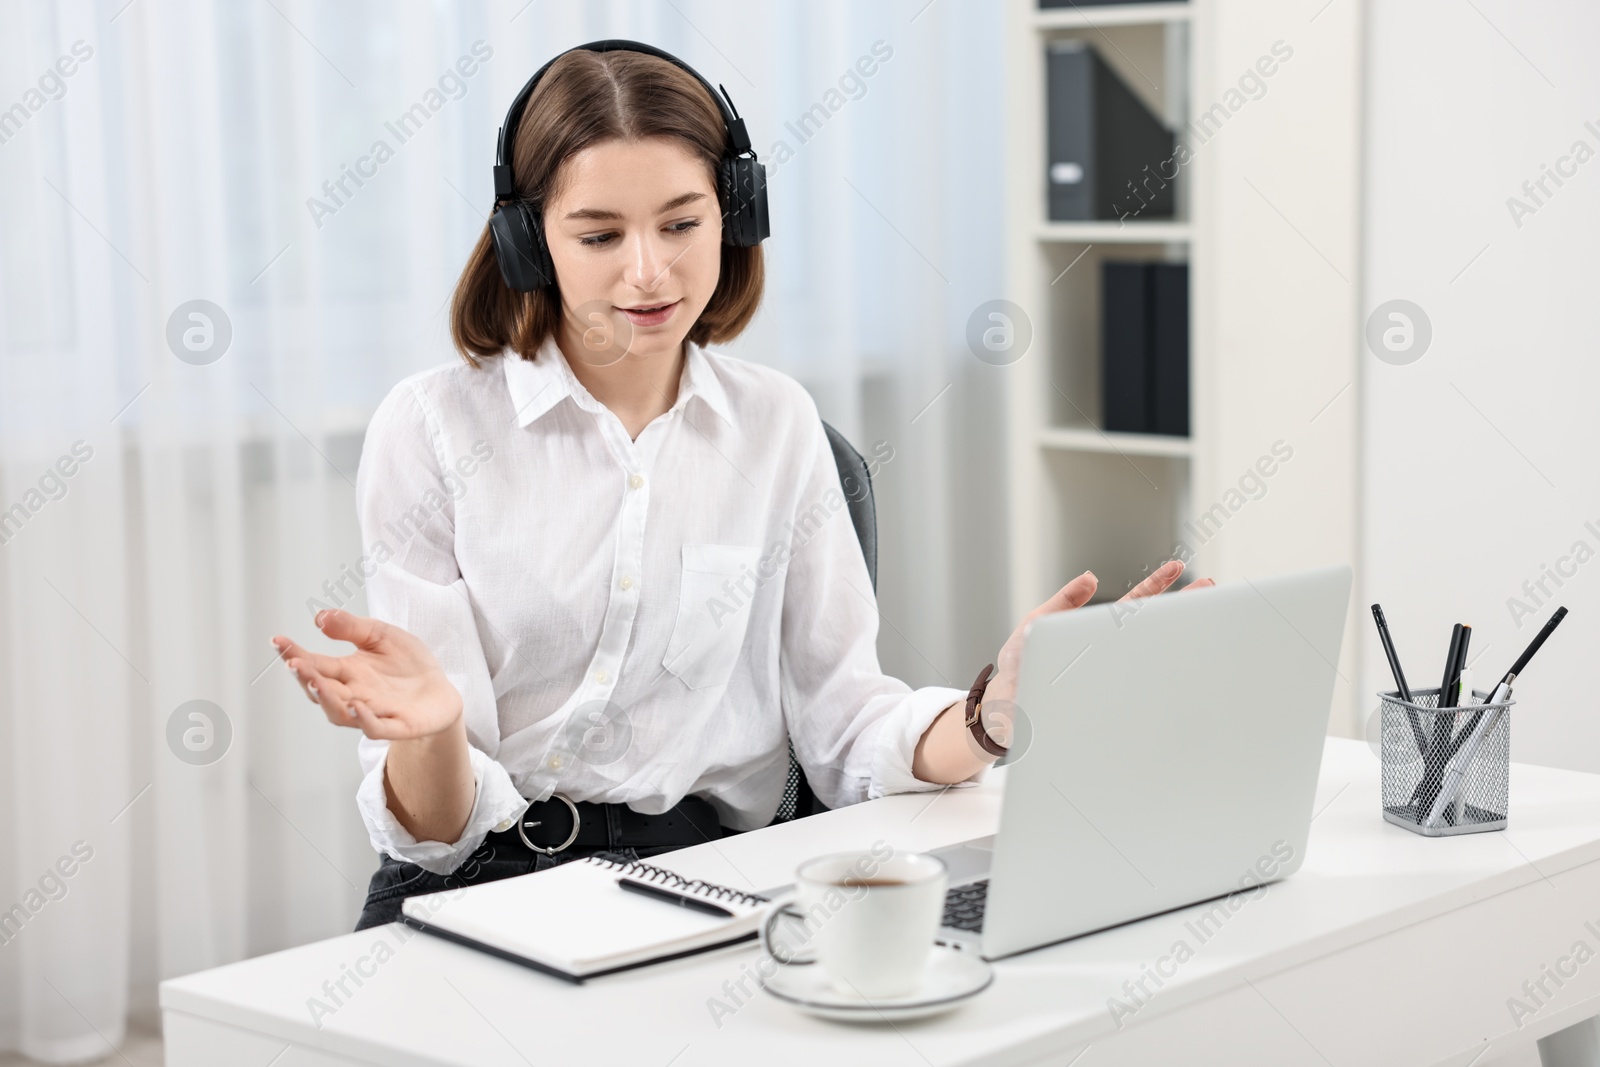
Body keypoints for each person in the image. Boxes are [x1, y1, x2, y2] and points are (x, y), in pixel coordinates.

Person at [269, 42, 1209, 932]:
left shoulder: (775, 426)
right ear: (527, 242)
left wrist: (990, 714)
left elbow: (846, 729)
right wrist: (431, 736)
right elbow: (434, 835)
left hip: (696, 875)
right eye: (598, 234)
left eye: (682, 224)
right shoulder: (433, 428)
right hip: (473, 876)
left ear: (736, 214)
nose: (649, 272)